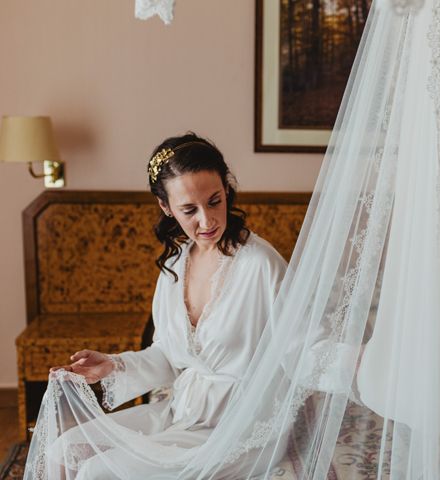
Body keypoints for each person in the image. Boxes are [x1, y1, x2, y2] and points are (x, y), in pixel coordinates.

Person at [25, 133, 288, 479]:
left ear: (227, 191)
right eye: (189, 210)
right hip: (183, 410)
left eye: (214, 201)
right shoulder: (176, 264)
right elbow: (167, 356)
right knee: (63, 451)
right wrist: (111, 366)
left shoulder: (261, 264)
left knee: (96, 472)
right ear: (166, 207)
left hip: (240, 426)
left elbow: (299, 346)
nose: (206, 221)